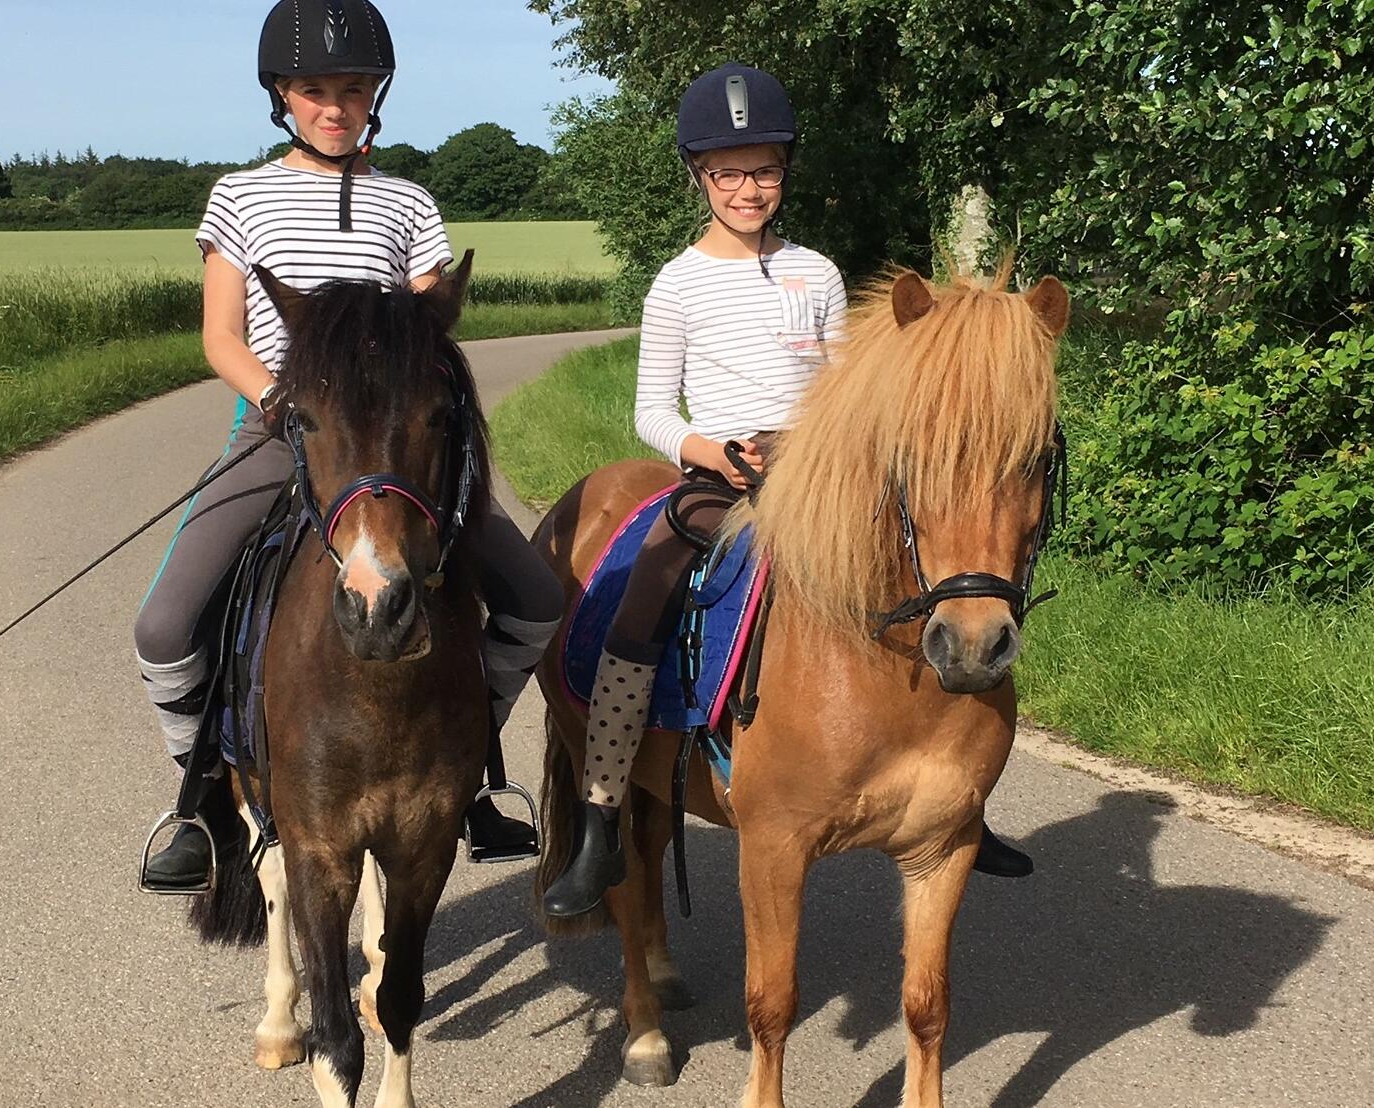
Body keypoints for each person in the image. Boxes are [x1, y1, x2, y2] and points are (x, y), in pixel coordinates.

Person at [541, 63, 1031, 918]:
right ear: (699, 176)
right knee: (638, 610)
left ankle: (960, 800)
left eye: (762, 169)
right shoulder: (677, 283)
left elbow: (847, 390)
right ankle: (600, 817)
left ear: (783, 173)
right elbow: (651, 410)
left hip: (823, 480)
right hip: (715, 485)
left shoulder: (818, 271)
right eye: (726, 172)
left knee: (942, 579)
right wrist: (713, 450)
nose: (746, 188)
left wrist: (826, 447)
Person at [138, 0, 560, 888]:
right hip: (283, 423)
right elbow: (222, 337)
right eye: (315, 89)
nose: (336, 105)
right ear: (282, 97)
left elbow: (432, 326)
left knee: (534, 597)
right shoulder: (240, 196)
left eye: (354, 89)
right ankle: (204, 797)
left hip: (395, 443)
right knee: (166, 623)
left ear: (377, 96)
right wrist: (284, 404)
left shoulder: (407, 202)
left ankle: (472, 766)